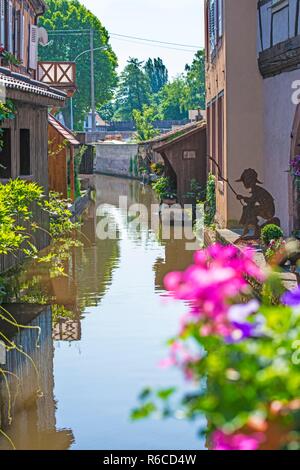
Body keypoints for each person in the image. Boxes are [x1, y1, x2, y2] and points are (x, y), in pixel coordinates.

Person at [236, 169, 276, 238]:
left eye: (244, 181)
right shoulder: (255, 189)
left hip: (269, 210)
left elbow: (252, 201)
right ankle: (248, 228)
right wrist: (243, 198)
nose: (244, 184)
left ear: (249, 180)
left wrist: (243, 198)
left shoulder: (256, 189)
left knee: (250, 210)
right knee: (247, 208)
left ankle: (251, 230)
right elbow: (252, 201)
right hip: (265, 208)